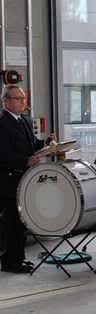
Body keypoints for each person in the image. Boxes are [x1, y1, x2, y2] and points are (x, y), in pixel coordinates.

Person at [0, 85, 56, 273]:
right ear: (5, 101)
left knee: (21, 221)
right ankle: (8, 260)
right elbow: (3, 155)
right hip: (8, 181)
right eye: (18, 99)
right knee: (11, 223)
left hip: (24, 180)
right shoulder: (2, 122)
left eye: (24, 99)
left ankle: (19, 257)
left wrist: (45, 143)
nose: (22, 103)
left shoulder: (24, 120)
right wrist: (25, 161)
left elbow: (30, 144)